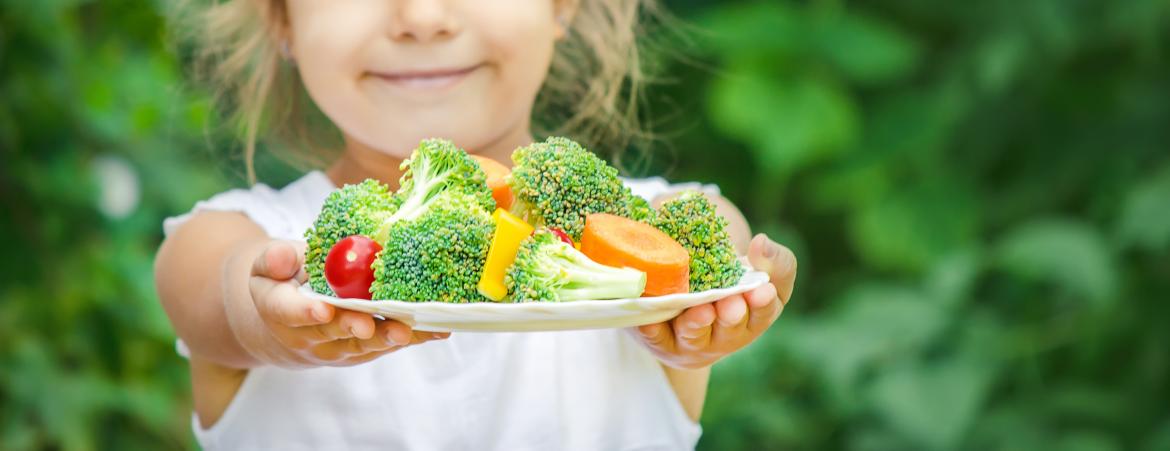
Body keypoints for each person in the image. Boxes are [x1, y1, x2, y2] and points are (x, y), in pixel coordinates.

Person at [155, 0, 798, 449]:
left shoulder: (631, 239)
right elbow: (222, 291)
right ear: (280, 17)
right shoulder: (235, 236)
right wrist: (275, 326)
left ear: (561, 5)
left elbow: (714, 232)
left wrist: (701, 310)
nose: (423, 17)